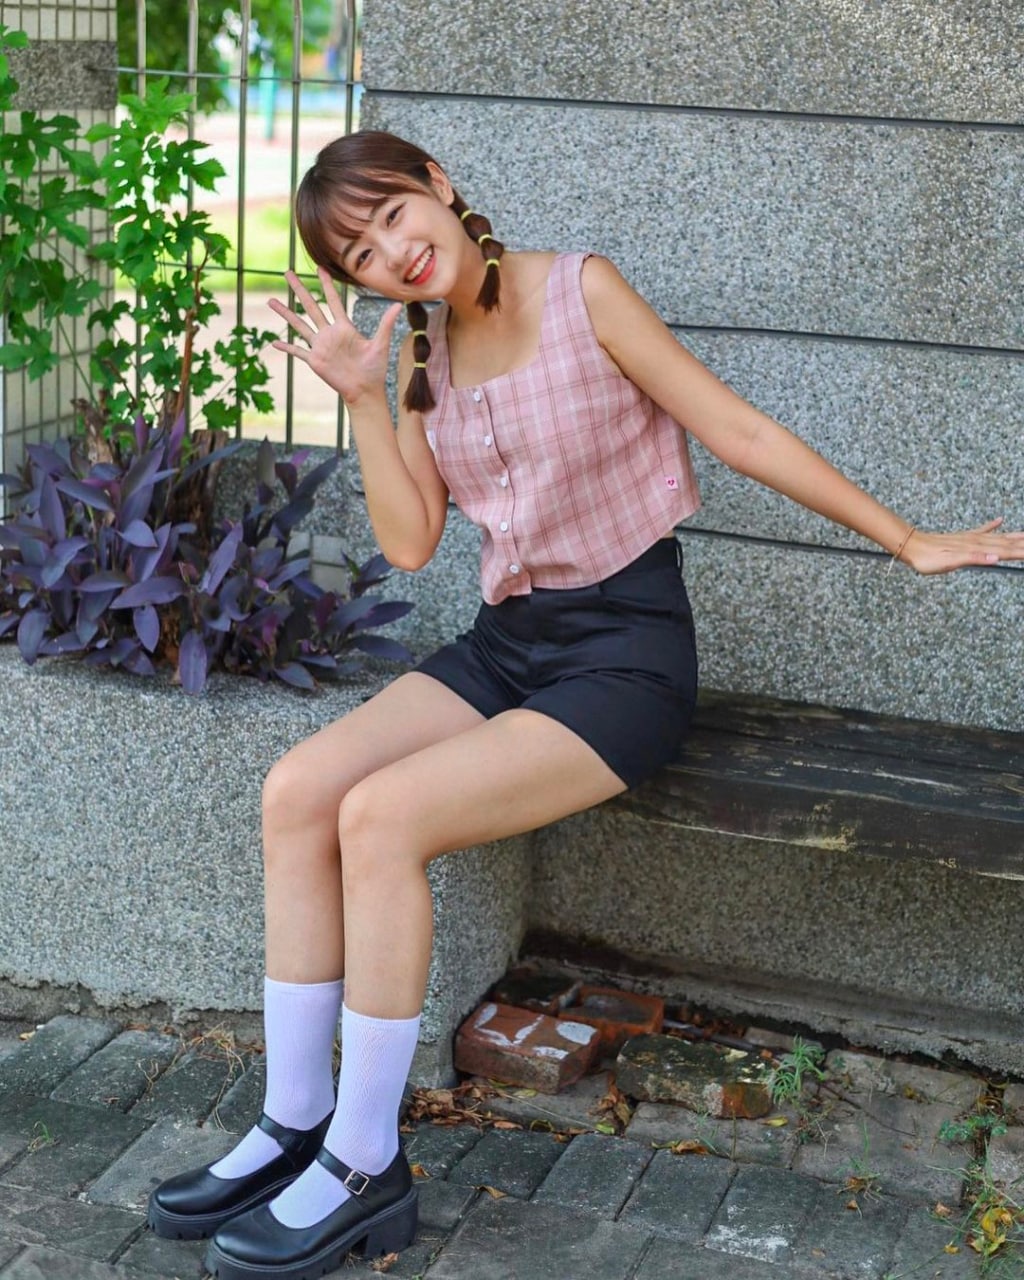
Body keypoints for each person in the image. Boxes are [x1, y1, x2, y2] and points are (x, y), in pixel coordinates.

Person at [147, 131, 1024, 1280]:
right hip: (509, 643)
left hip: (625, 658)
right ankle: (294, 1117)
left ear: (440, 187)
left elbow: (735, 428)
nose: (392, 254)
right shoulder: (421, 358)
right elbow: (410, 542)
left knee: (381, 816)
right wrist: (363, 397)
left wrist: (905, 538)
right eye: (359, 253)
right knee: (299, 788)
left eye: (394, 215)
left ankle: (364, 1162)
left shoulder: (582, 290)